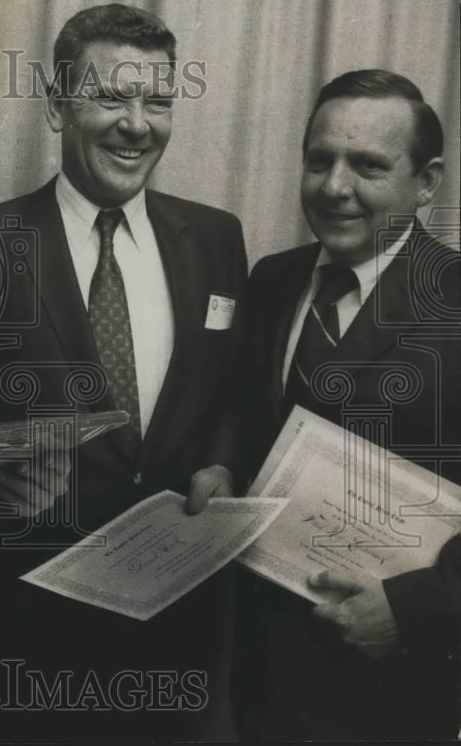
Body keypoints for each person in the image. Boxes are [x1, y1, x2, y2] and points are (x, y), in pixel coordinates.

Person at [0, 3, 248, 741]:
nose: (137, 124)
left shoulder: (216, 240)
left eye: (158, 101)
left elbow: (227, 393)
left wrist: (223, 465)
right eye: (109, 97)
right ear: (55, 102)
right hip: (25, 651)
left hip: (176, 648)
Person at [232, 69, 461, 741]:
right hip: (256, 682)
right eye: (319, 161)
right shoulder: (271, 280)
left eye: (367, 166)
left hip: (392, 691)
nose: (334, 188)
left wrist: (416, 611)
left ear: (427, 182)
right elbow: (247, 427)